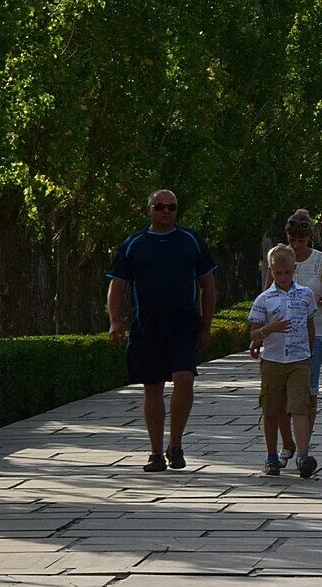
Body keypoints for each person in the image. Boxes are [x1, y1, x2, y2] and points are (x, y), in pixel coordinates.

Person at [108, 189, 217, 472]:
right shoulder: (134, 244)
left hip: (183, 325)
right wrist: (115, 321)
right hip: (147, 327)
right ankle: (156, 452)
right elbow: (117, 285)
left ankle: (176, 444)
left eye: (172, 207)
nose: (166, 211)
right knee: (153, 387)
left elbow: (208, 284)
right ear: (149, 210)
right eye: (160, 207)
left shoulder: (190, 240)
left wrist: (206, 326)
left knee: (184, 378)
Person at [247, 244, 320, 478]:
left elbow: (310, 324)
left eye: (287, 272)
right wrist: (269, 329)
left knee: (299, 407)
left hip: (299, 360)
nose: (283, 277)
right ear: (271, 271)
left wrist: (309, 351)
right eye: (278, 273)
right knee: (271, 409)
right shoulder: (264, 300)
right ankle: (270, 457)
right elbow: (253, 333)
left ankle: (302, 455)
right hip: (273, 361)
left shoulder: (305, 295)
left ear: (294, 269)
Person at [284, 211, 322, 408]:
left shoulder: (321, 261)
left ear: (310, 238)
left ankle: (304, 435)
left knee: (308, 388)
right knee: (283, 390)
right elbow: (267, 294)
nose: (296, 245)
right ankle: (289, 437)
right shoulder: (279, 257)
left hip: (315, 333)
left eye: (301, 240)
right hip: (283, 334)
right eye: (292, 240)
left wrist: (321, 298)